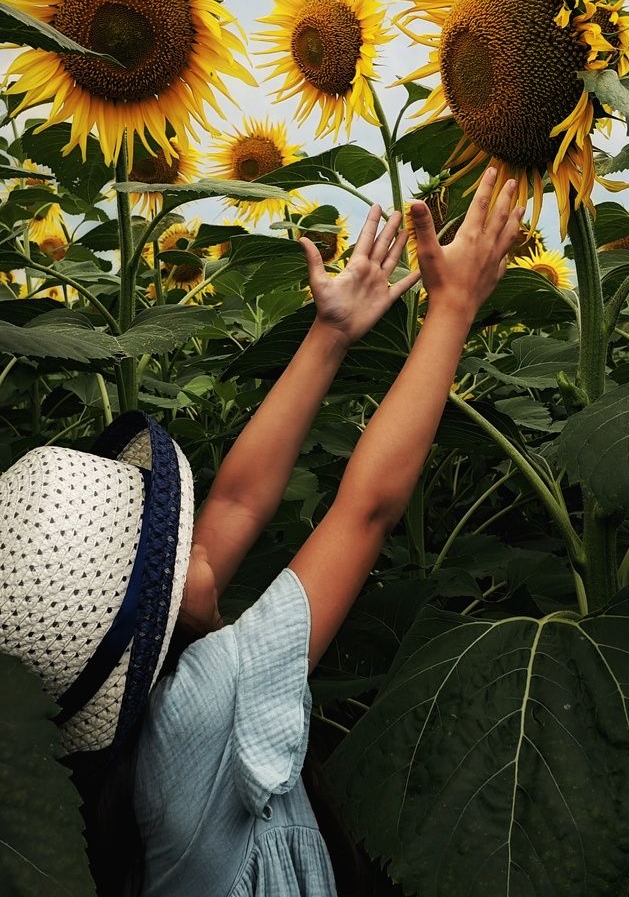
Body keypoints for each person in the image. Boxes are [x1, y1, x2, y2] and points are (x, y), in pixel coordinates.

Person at [0, 169, 523, 896]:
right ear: (156, 623)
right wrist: (454, 308)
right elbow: (363, 511)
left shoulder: (115, 752)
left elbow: (238, 506)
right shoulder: (202, 707)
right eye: (159, 552)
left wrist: (332, 333)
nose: (183, 541)